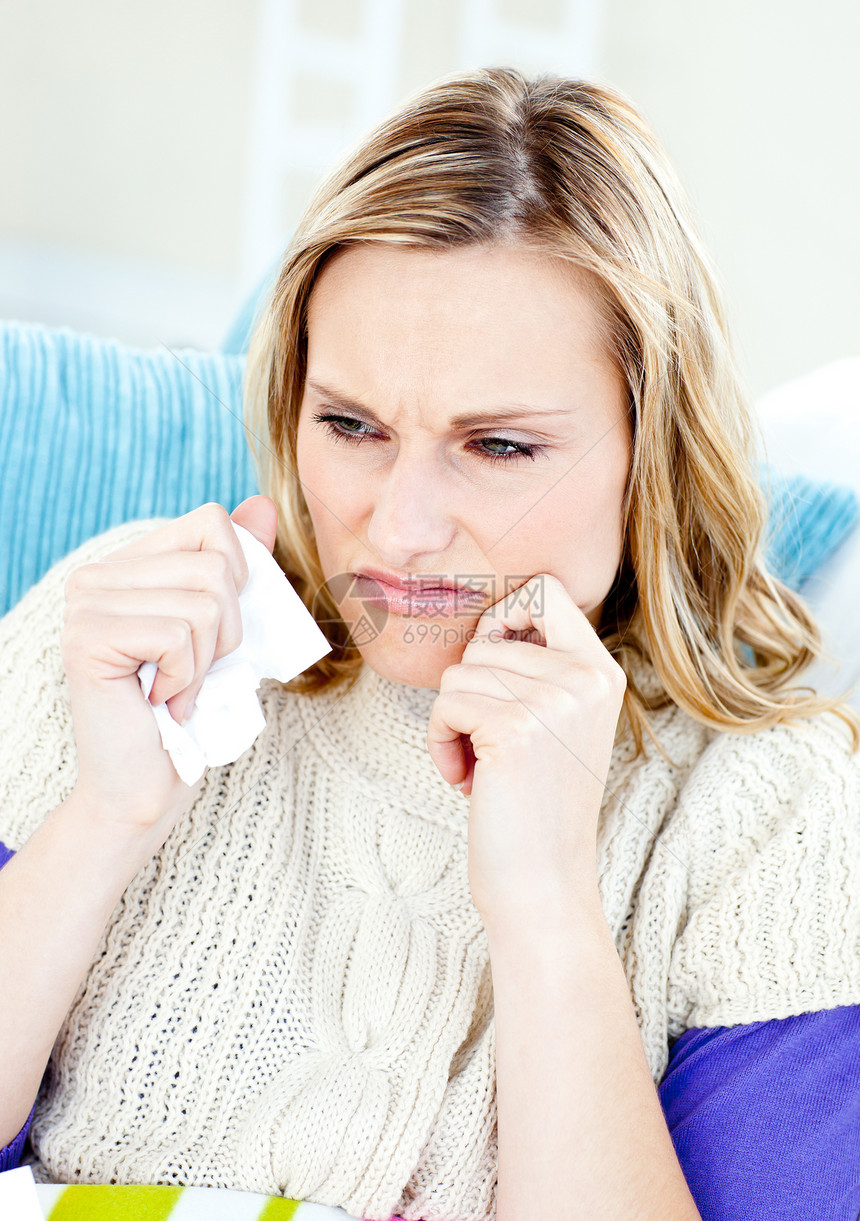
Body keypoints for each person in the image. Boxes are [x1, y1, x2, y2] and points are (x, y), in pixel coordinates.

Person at [1, 65, 859, 1221]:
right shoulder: (123, 634)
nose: (398, 529)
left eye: (497, 447)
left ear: (647, 454)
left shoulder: (769, 813)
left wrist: (546, 898)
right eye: (349, 426)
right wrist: (101, 819)